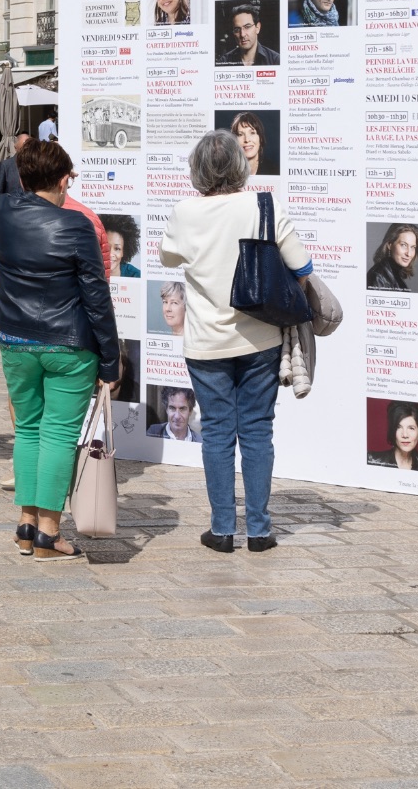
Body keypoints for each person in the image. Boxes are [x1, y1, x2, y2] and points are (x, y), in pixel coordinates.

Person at [158, 130, 312, 553]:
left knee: (218, 432)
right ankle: (260, 531)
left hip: (207, 343)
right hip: (260, 338)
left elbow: (167, 257)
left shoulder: (185, 212)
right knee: (258, 431)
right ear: (240, 166)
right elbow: (302, 264)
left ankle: (223, 529)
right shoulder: (263, 204)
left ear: (198, 170)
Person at [0, 140, 118, 562]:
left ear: (22, 178)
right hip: (67, 344)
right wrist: (111, 359)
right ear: (64, 180)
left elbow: (23, 189)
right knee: (58, 434)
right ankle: (48, 532)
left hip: (16, 340)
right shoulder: (76, 225)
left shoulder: (2, 211)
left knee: (27, 429)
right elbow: (96, 297)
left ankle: (26, 525)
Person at [368, 402, 418, 471]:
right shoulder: (372, 460)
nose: (405, 435)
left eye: (411, 428)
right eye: (398, 427)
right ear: (393, 432)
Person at [217, 3, 281, 67]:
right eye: (237, 29)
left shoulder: (276, 60)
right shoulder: (224, 62)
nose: (242, 34)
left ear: (257, 28)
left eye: (247, 27)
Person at [367, 223, 418, 291]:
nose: (409, 253)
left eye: (413, 247)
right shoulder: (378, 276)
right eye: (403, 245)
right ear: (390, 245)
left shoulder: (395, 274)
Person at [229, 112, 271, 176]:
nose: (247, 140)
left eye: (252, 133)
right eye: (240, 134)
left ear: (260, 138)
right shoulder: (227, 173)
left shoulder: (275, 170)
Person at [102, 213, 142, 278]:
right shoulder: (89, 273)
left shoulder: (136, 275)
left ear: (123, 251)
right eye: (106, 247)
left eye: (117, 248)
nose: (110, 254)